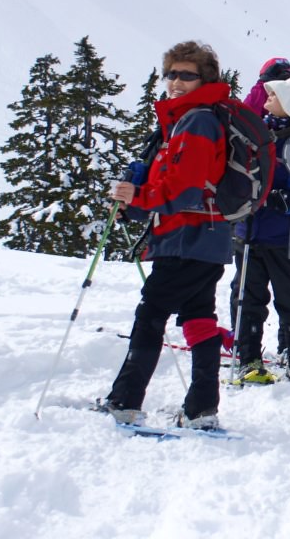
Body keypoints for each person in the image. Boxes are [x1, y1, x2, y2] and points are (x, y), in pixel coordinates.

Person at [98, 41, 233, 430]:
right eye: (171, 73)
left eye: (186, 75)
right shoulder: (186, 120)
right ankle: (202, 408)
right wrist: (136, 203)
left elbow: (184, 188)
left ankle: (125, 400)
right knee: (199, 318)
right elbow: (175, 185)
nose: (175, 81)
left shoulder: (198, 122)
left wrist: (138, 198)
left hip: (188, 239)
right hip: (204, 238)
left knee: (151, 313)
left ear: (203, 79)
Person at [231, 74, 290, 388]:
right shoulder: (260, 133)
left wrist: (286, 199)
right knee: (248, 296)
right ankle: (249, 357)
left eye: (274, 95)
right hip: (250, 232)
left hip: (286, 238)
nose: (267, 97)